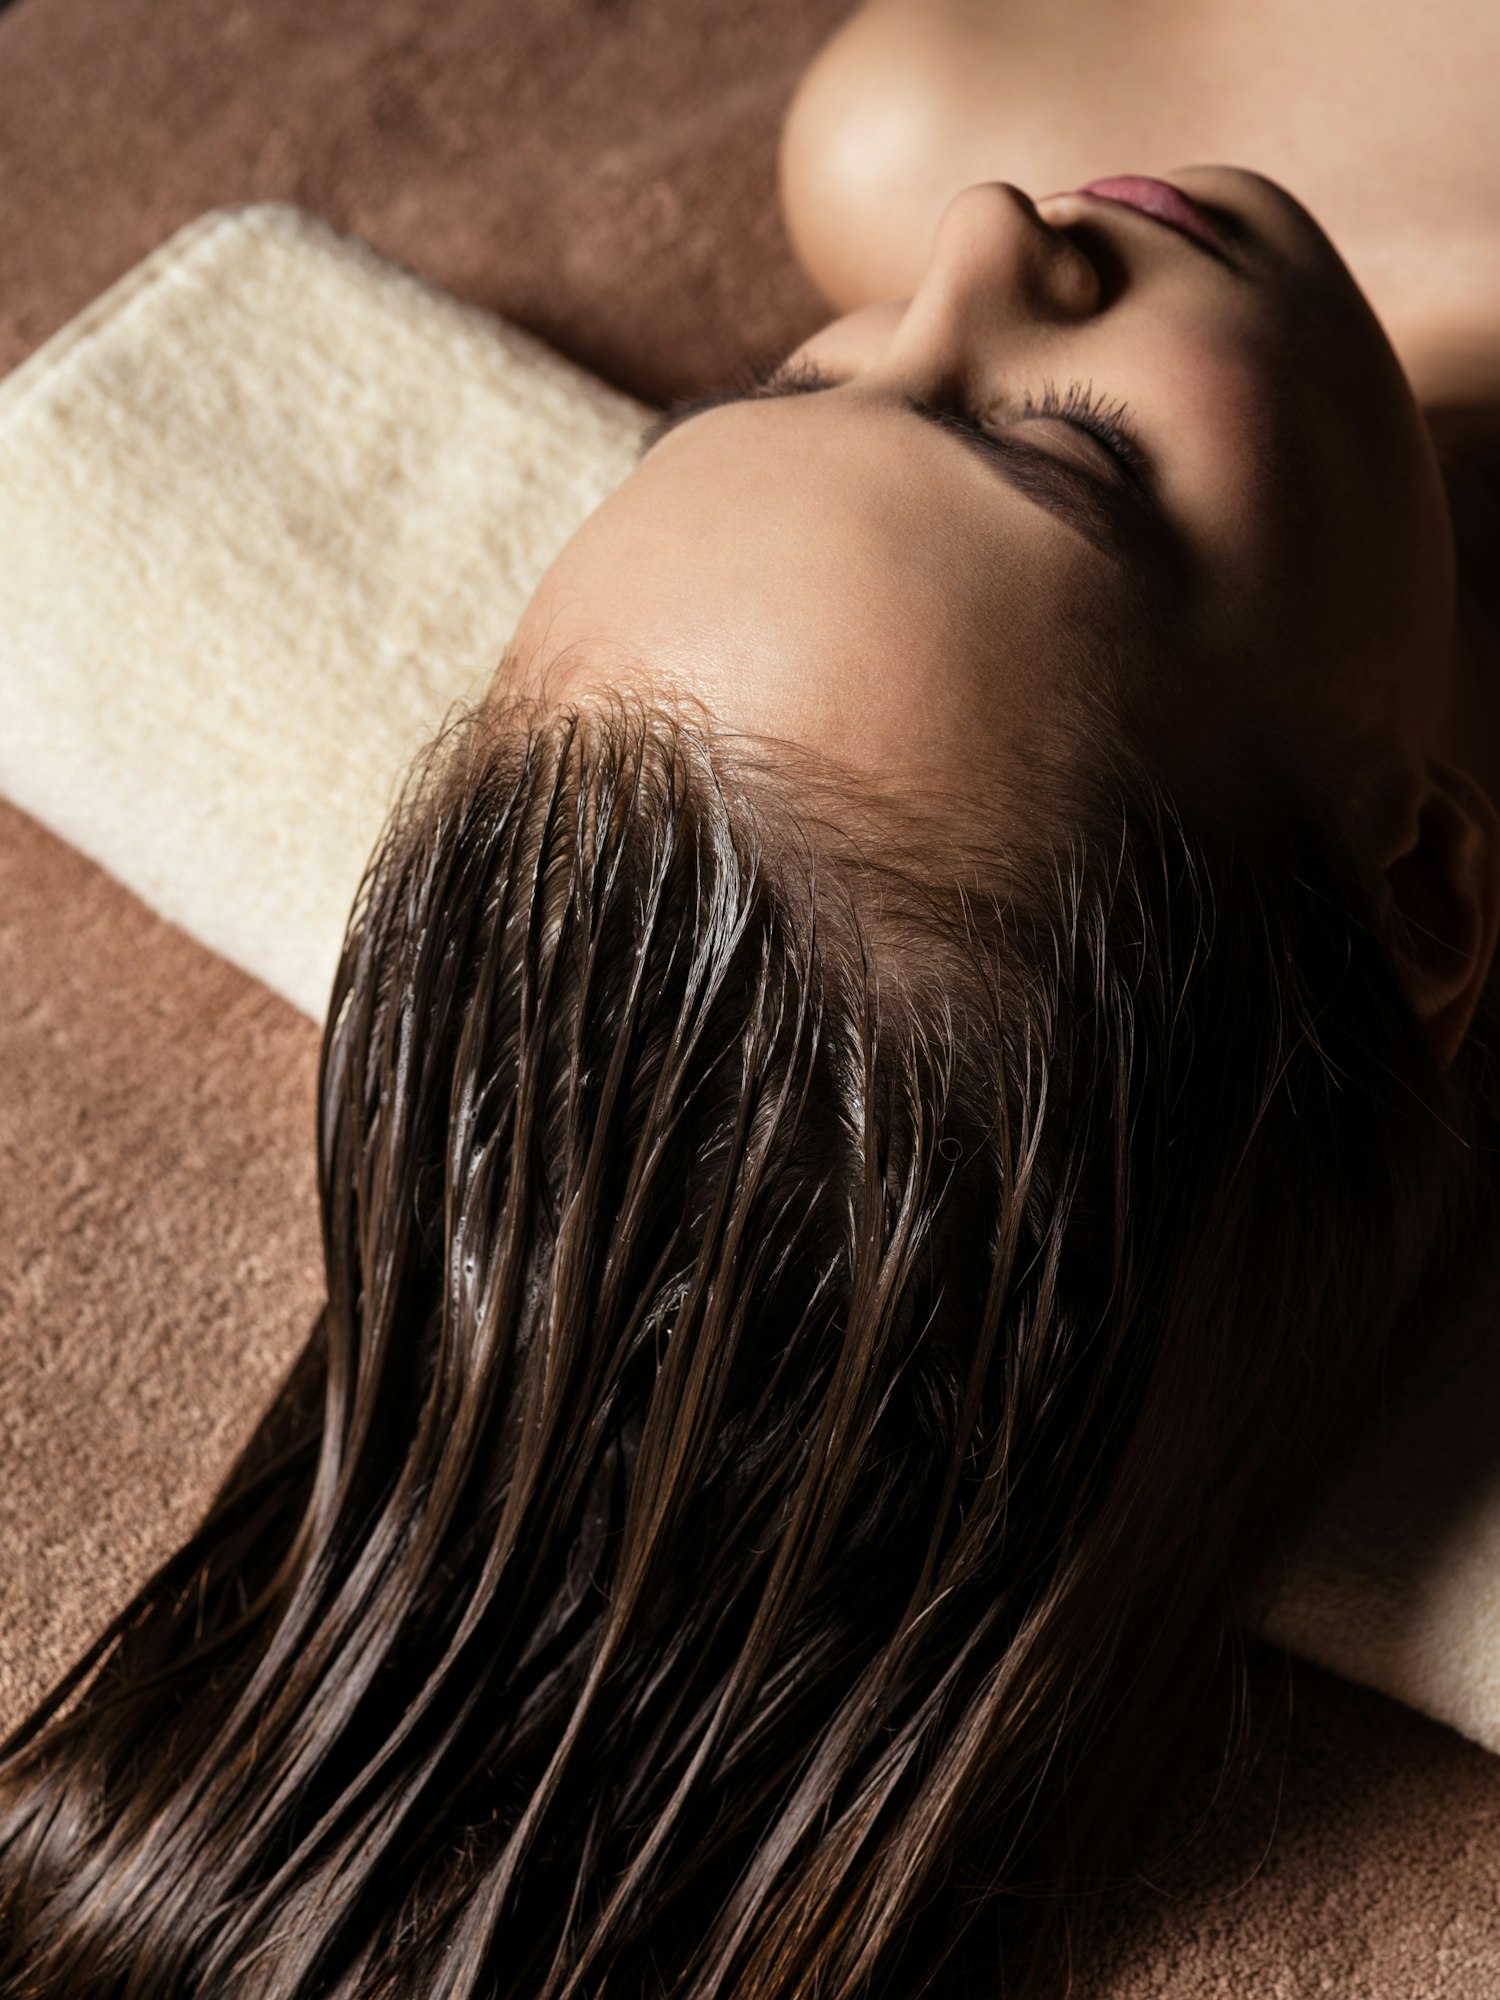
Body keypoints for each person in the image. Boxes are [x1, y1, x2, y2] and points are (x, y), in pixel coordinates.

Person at [2, 4, 1498, 1996]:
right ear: (1413, 895)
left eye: (802, 376)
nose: (976, 248)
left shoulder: (942, 131)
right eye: (1063, 446)